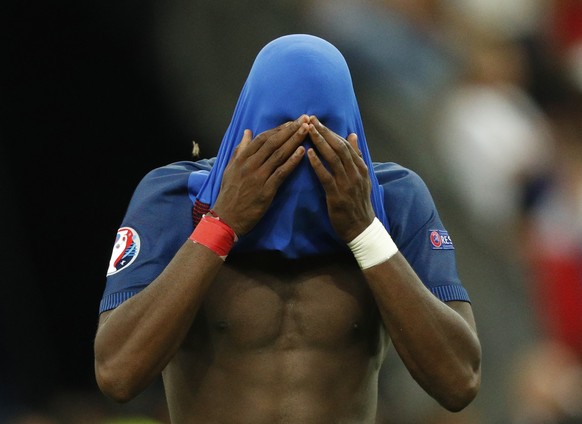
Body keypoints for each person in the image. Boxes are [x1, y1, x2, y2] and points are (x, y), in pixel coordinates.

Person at [94, 34, 481, 423]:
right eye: (281, 129)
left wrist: (366, 232)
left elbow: (459, 381)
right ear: (249, 120)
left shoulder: (393, 201)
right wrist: (221, 224)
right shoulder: (175, 198)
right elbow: (117, 373)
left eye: (322, 131)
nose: (300, 151)